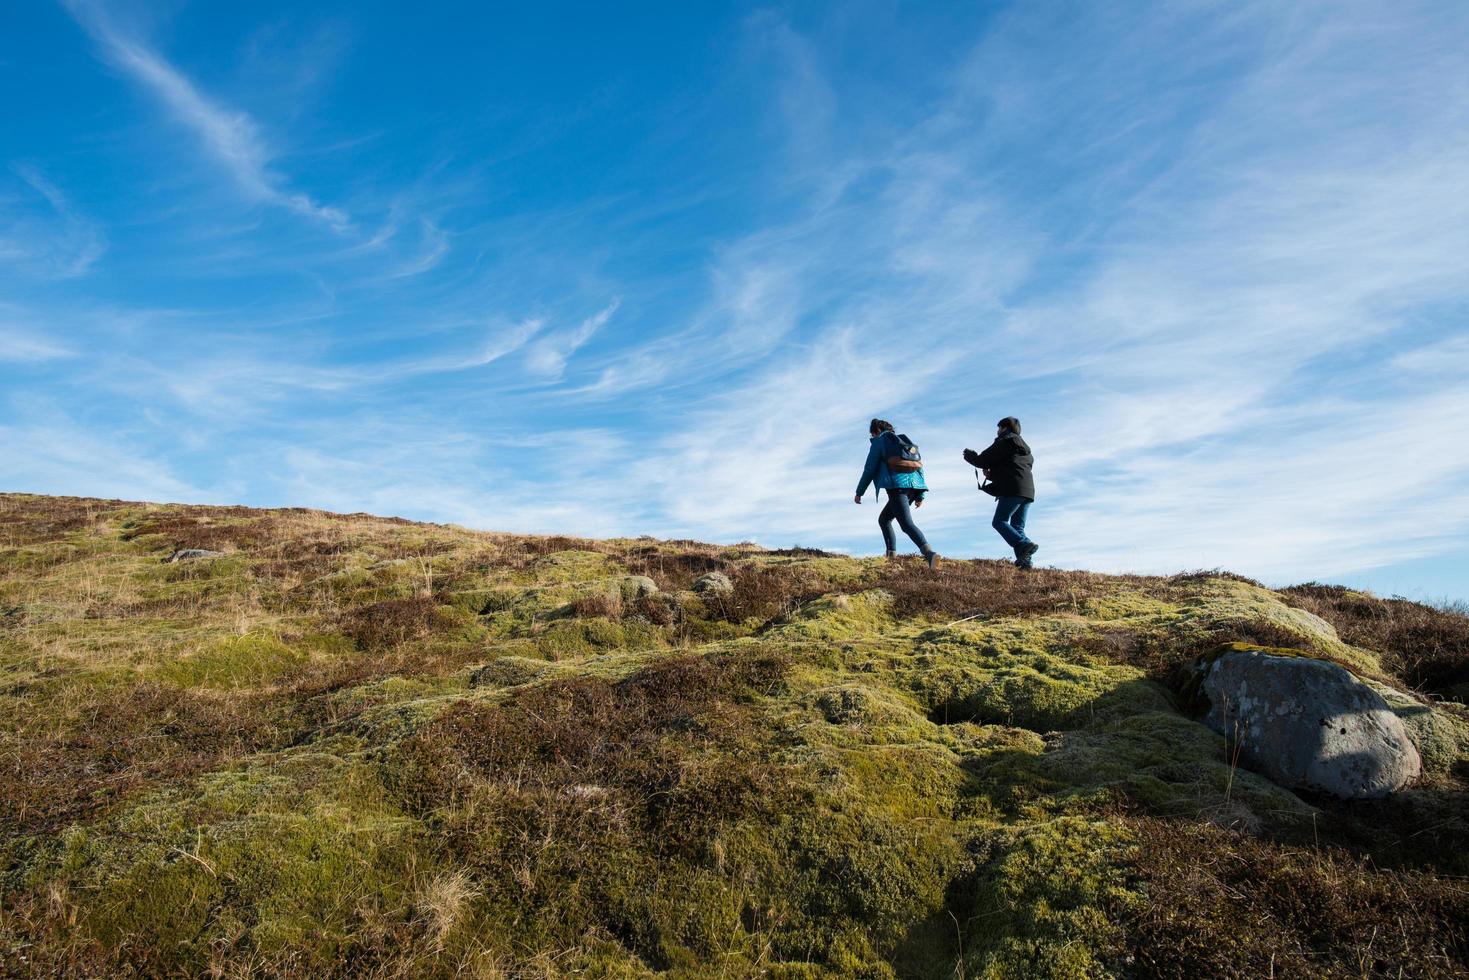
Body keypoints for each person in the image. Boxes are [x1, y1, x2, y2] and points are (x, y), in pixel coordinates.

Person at [855, 418, 939, 568]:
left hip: (897, 488)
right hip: (913, 487)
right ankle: (891, 557)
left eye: (872, 434)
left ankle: (930, 554)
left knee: (906, 524)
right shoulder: (905, 442)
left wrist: (859, 492)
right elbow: (919, 467)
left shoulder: (880, 442)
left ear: (877, 431)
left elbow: (869, 470)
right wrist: (920, 494)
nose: (872, 437)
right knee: (884, 519)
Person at [964, 417, 1037, 568]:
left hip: (1012, 490)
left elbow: (983, 460)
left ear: (1004, 428)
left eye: (999, 428)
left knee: (999, 521)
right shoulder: (1026, 450)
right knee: (1017, 527)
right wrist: (993, 475)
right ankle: (1025, 563)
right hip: (1027, 491)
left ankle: (1024, 544)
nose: (997, 431)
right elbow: (1014, 467)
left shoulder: (1005, 441)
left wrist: (969, 456)